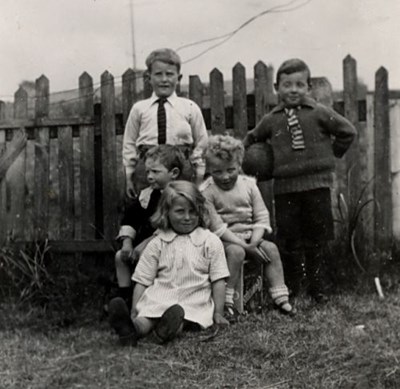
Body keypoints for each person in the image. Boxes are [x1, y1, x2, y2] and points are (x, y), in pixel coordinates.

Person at [243, 58, 356, 303]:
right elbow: (250, 139)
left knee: (317, 238)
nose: (293, 90)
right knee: (290, 239)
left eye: (299, 84)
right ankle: (292, 285)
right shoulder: (271, 119)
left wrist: (332, 154)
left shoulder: (319, 112)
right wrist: (255, 162)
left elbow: (348, 131)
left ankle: (318, 287)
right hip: (285, 189)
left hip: (317, 186)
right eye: (287, 85)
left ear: (308, 88)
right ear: (277, 88)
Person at [108, 181, 230, 346]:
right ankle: (132, 329)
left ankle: (163, 332)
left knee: (181, 317)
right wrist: (134, 312)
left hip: (194, 300)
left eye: (193, 212)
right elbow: (143, 280)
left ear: (200, 212)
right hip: (160, 297)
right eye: (180, 211)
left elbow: (218, 279)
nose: (187, 217)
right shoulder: (158, 242)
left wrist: (218, 313)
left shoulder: (210, 241)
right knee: (147, 318)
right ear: (166, 212)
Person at [201, 134, 294, 321]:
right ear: (209, 169)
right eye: (217, 172)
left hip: (250, 236)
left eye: (231, 170)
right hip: (225, 239)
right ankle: (227, 301)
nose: (225, 176)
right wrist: (246, 247)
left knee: (271, 249)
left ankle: (280, 296)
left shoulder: (249, 186)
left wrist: (255, 240)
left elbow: (261, 216)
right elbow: (217, 227)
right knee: (236, 253)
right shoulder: (207, 192)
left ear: (239, 165)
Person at [123, 48, 208, 197]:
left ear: (178, 77)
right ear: (149, 78)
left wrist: (199, 175)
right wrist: (129, 176)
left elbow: (202, 142)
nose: (164, 79)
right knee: (148, 207)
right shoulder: (139, 109)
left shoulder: (189, 107)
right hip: (147, 169)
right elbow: (129, 143)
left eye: (169, 74)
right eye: (158, 74)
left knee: (179, 205)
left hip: (180, 169)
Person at [114, 145, 185, 309]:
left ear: (173, 173)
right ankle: (125, 297)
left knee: (151, 259)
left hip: (170, 244)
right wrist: (127, 243)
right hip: (144, 246)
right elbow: (130, 219)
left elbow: (172, 227)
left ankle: (155, 302)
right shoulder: (146, 195)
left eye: (155, 172)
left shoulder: (179, 196)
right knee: (120, 257)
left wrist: (145, 245)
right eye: (147, 172)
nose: (150, 177)